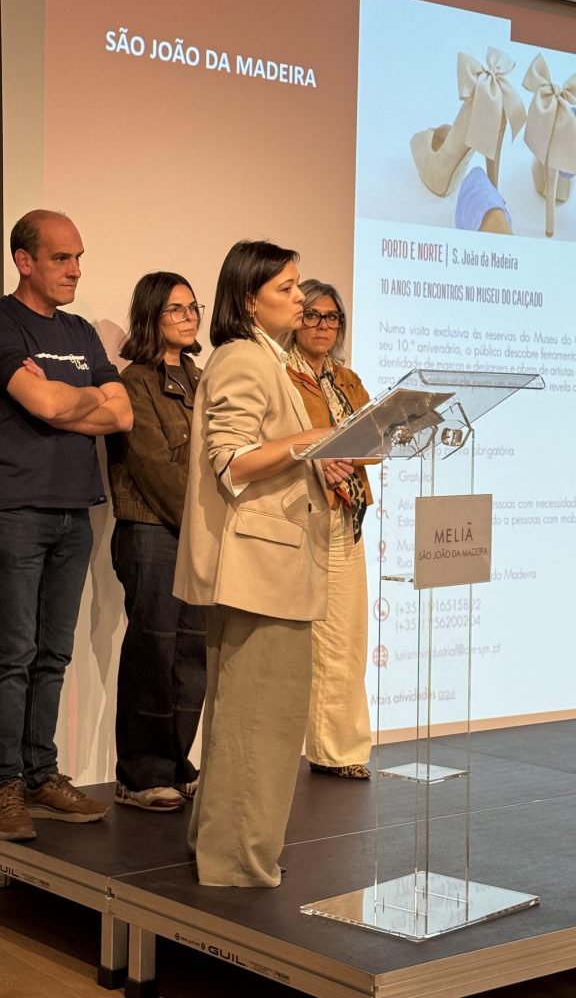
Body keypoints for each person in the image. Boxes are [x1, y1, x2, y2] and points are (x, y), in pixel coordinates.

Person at [173, 240, 354, 887]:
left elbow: (267, 454)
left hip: (269, 568)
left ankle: (221, 850)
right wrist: (314, 439)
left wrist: (316, 457)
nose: (301, 299)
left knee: (246, 721)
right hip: (258, 572)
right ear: (248, 299)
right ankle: (237, 864)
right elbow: (232, 460)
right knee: (260, 726)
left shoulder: (264, 357)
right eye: (286, 288)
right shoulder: (245, 359)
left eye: (299, 286)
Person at [0, 209, 133, 843]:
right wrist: (77, 400)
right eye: (61, 258)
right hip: (17, 509)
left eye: (79, 257)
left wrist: (62, 400)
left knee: (53, 655)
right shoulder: (3, 322)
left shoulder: (80, 331)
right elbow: (45, 403)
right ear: (24, 261)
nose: (75, 269)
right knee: (12, 656)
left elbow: (122, 414)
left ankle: (39, 775)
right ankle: (3, 785)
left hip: (75, 512)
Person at [106, 271, 207, 812]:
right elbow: (155, 469)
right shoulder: (134, 382)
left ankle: (175, 761)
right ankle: (139, 773)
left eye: (193, 307)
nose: (189, 317)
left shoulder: (203, 378)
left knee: (192, 653)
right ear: (150, 316)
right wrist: (204, 524)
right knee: (154, 649)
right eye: (175, 309)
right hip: (152, 530)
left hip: (199, 534)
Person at [284, 279, 373, 780]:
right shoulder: (284, 373)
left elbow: (375, 439)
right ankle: (318, 747)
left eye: (332, 317)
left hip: (348, 510)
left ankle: (341, 750)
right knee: (317, 639)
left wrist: (346, 453)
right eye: (313, 315)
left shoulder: (347, 379)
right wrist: (326, 455)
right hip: (305, 510)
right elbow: (283, 440)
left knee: (348, 636)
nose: (323, 325)